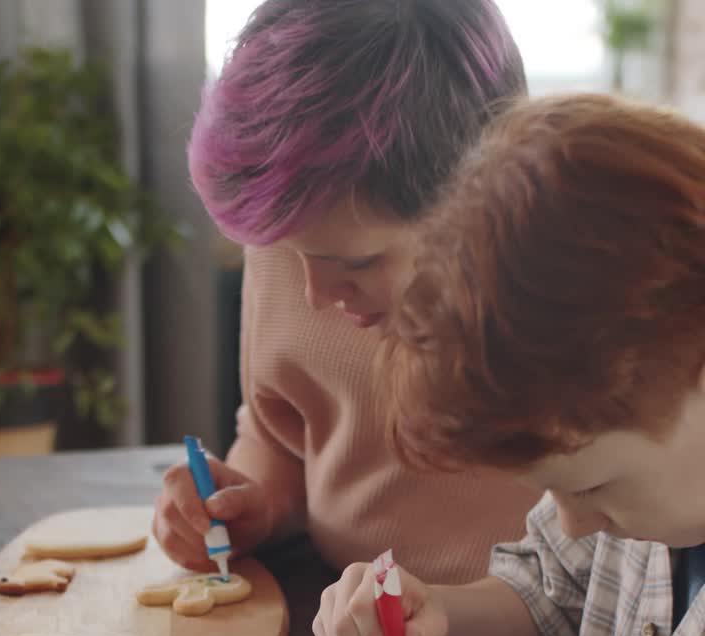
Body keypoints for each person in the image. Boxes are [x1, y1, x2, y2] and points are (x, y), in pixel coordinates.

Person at [313, 94, 705, 636]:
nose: (573, 519)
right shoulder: (637, 461)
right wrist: (442, 617)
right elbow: (554, 597)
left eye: (590, 486)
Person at [152, 0, 536, 584]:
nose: (314, 295)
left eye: (356, 262)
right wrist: (252, 506)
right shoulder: (295, 222)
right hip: (341, 611)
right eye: (290, 252)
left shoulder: (568, 288)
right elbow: (278, 433)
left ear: (483, 195)